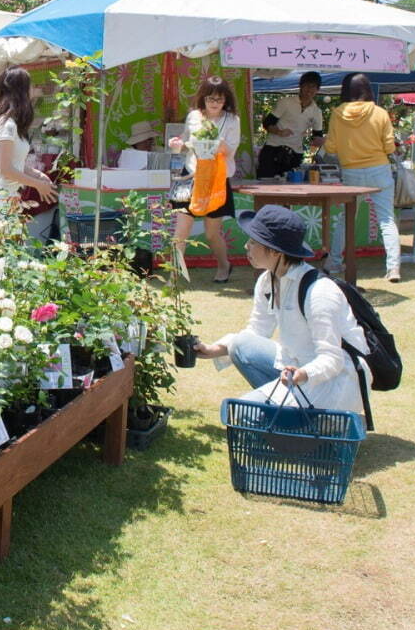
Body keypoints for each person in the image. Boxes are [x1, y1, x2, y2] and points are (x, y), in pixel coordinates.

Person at [190, 205, 370, 415]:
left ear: (275, 251)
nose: (247, 246)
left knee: (238, 414)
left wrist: (303, 373)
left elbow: (333, 359)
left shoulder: (319, 292)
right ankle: (285, 414)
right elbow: (256, 332)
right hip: (295, 367)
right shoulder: (268, 280)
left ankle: (309, 421)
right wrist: (213, 350)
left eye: (253, 242)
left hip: (332, 384)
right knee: (240, 345)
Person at [323, 73, 401, 283]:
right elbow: (389, 146)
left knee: (346, 219)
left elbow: (330, 147)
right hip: (379, 169)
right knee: (386, 219)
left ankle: (334, 262)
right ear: (367, 90)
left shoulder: (337, 114)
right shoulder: (380, 113)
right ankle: (393, 268)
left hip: (350, 172)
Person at [167, 76, 242, 284]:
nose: (214, 103)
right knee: (180, 230)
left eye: (219, 99)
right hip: (189, 175)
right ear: (203, 99)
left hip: (216, 179)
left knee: (212, 234)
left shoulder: (232, 120)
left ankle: (224, 264)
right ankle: (173, 277)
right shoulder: (193, 116)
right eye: (210, 99)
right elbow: (183, 140)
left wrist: (212, 139)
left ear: (225, 100)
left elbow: (229, 151)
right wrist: (178, 143)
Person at [0, 67, 57, 229]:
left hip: (8, 197)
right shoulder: (6, 125)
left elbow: (14, 163)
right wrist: (38, 185)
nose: (32, 91)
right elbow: (7, 169)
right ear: (21, 91)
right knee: (2, 251)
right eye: (30, 86)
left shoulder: (11, 123)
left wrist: (38, 175)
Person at [257, 71, 325, 177]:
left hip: (295, 153)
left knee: (290, 187)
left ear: (318, 89)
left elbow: (317, 136)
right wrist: (279, 132)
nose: (309, 90)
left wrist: (320, 141)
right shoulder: (285, 102)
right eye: (306, 86)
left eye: (313, 87)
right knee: (265, 184)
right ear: (300, 86)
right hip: (273, 149)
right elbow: (267, 123)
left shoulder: (317, 112)